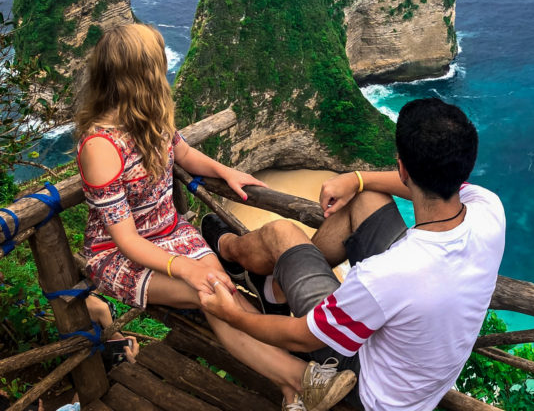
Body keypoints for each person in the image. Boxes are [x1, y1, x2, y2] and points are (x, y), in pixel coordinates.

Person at [75, 24, 355, 411]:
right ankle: (299, 379)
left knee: (227, 293)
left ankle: (294, 384)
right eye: (159, 63)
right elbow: (125, 240)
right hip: (121, 254)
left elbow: (184, 154)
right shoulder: (100, 147)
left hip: (172, 231)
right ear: (143, 75)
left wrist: (226, 171)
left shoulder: (151, 118)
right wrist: (184, 269)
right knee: (211, 294)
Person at [199, 97, 506, 411]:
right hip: (418, 384)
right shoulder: (489, 209)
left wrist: (233, 315)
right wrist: (359, 179)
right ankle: (281, 282)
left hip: (368, 391)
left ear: (401, 167)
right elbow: (416, 186)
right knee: (367, 195)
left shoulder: (386, 275)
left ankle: (245, 263)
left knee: (282, 234)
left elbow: (302, 339)